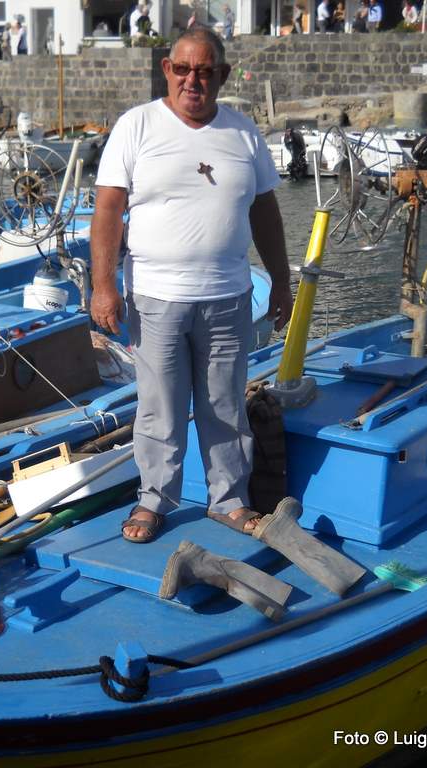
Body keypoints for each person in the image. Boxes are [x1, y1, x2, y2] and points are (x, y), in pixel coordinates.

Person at [90, 28, 293, 543]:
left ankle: (228, 500)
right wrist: (103, 285)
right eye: (182, 69)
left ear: (222, 76)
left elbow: (266, 213)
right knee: (160, 406)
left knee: (224, 404)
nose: (192, 80)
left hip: (228, 296)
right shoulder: (136, 126)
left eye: (205, 71)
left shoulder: (244, 133)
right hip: (156, 297)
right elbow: (109, 209)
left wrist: (283, 284)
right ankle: (154, 499)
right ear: (166, 71)